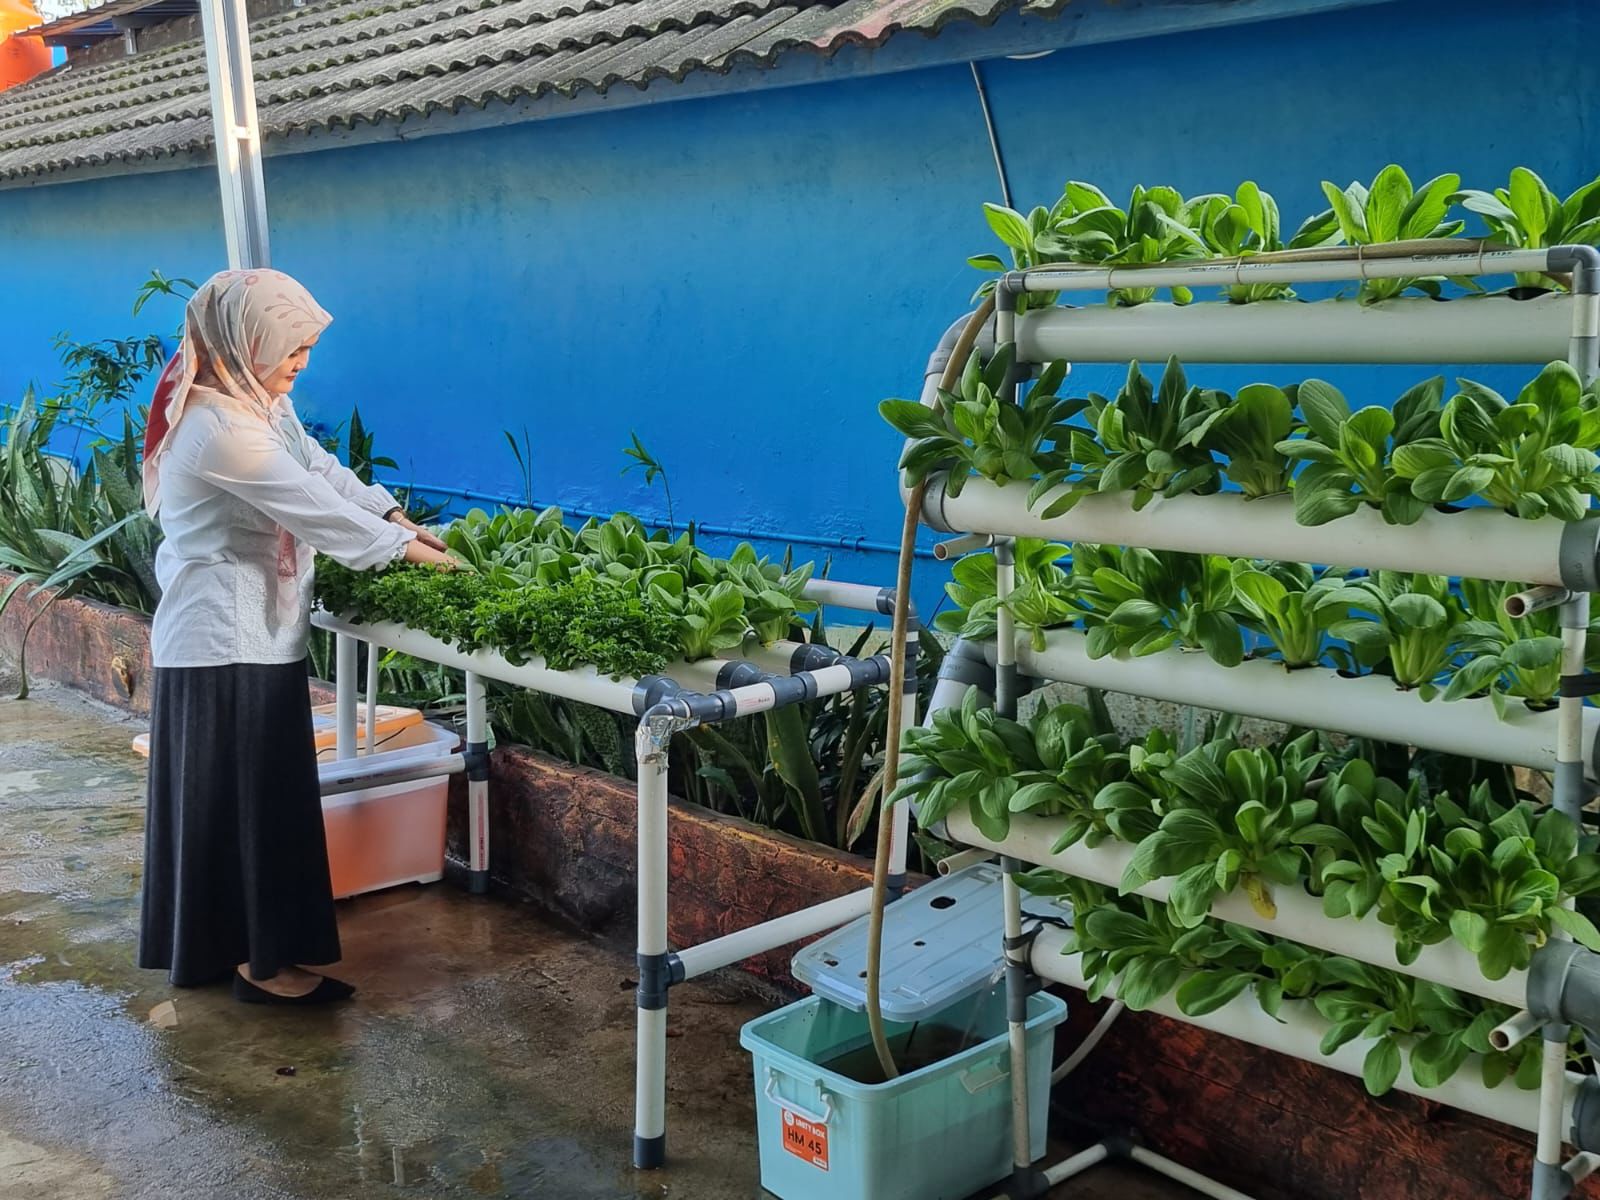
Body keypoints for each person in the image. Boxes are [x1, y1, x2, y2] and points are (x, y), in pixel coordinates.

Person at [136, 268, 455, 1005]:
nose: (301, 363)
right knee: (253, 804)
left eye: (306, 348)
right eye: (292, 347)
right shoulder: (216, 428)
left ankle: (222, 953)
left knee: (232, 803)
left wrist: (399, 518)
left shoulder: (254, 407)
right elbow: (310, 506)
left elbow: (320, 469)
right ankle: (265, 966)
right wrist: (419, 557)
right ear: (247, 341)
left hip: (254, 634)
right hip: (224, 641)